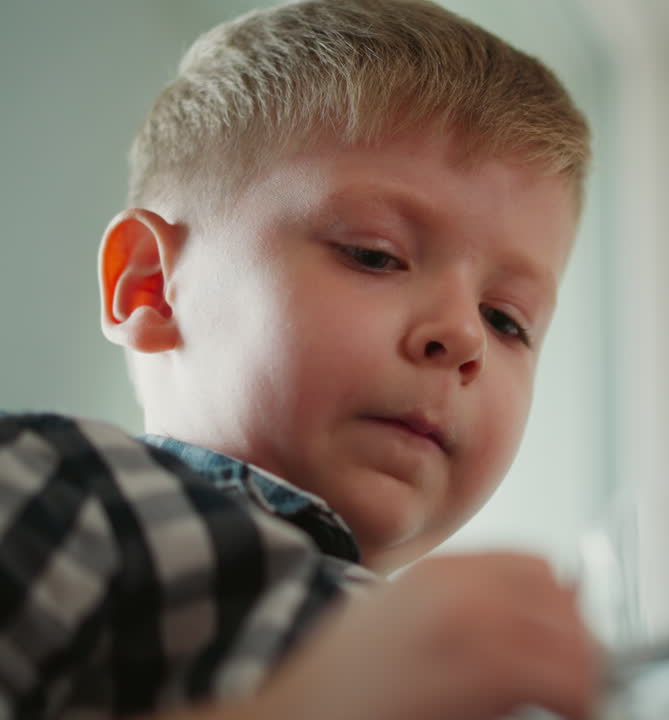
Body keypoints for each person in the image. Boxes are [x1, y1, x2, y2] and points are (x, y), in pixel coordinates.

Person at [0, 1, 596, 718]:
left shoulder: (470, 660)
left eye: (506, 320)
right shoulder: (59, 490)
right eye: (374, 255)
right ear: (151, 287)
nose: (464, 338)